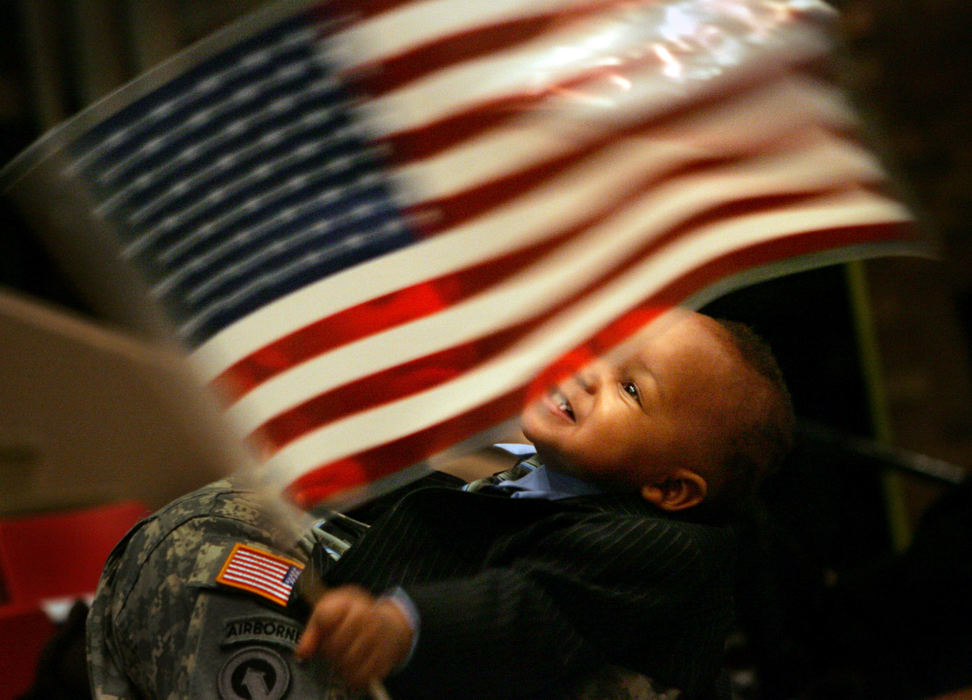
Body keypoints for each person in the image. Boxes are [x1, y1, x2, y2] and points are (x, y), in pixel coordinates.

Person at [87, 310, 793, 700]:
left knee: (201, 565)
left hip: (417, 649)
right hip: (356, 619)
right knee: (216, 544)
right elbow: (408, 490)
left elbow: (527, 614)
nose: (586, 375)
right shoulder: (522, 459)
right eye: (601, 349)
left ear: (671, 489)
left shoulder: (662, 549)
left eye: (631, 390)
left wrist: (402, 626)